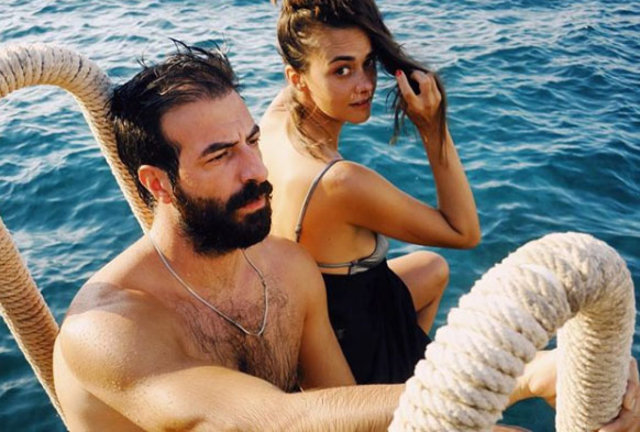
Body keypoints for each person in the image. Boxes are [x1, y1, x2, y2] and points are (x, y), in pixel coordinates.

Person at [52, 42, 639, 431]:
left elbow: (337, 409)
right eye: (220, 155)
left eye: (252, 141)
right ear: (158, 183)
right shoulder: (109, 329)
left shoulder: (286, 269)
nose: (255, 170)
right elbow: (273, 421)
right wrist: (524, 373)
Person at [261, 0, 479, 384]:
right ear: (297, 78)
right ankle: (400, 380)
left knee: (433, 269)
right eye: (342, 70)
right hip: (351, 351)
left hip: (321, 316)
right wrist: (432, 129)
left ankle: (410, 365)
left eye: (369, 63)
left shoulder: (274, 121)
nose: (365, 85)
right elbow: (464, 232)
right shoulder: (339, 182)